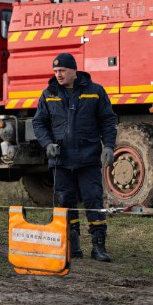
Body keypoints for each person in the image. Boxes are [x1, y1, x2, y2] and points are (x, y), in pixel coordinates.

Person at [32, 52, 117, 262]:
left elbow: (108, 120)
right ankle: (73, 246)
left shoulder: (95, 92)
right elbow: (39, 123)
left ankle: (98, 247)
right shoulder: (48, 94)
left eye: (62, 70)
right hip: (60, 159)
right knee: (65, 201)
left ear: (74, 70)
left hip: (88, 157)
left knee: (93, 200)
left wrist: (109, 146)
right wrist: (47, 144)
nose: (58, 75)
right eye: (55, 71)